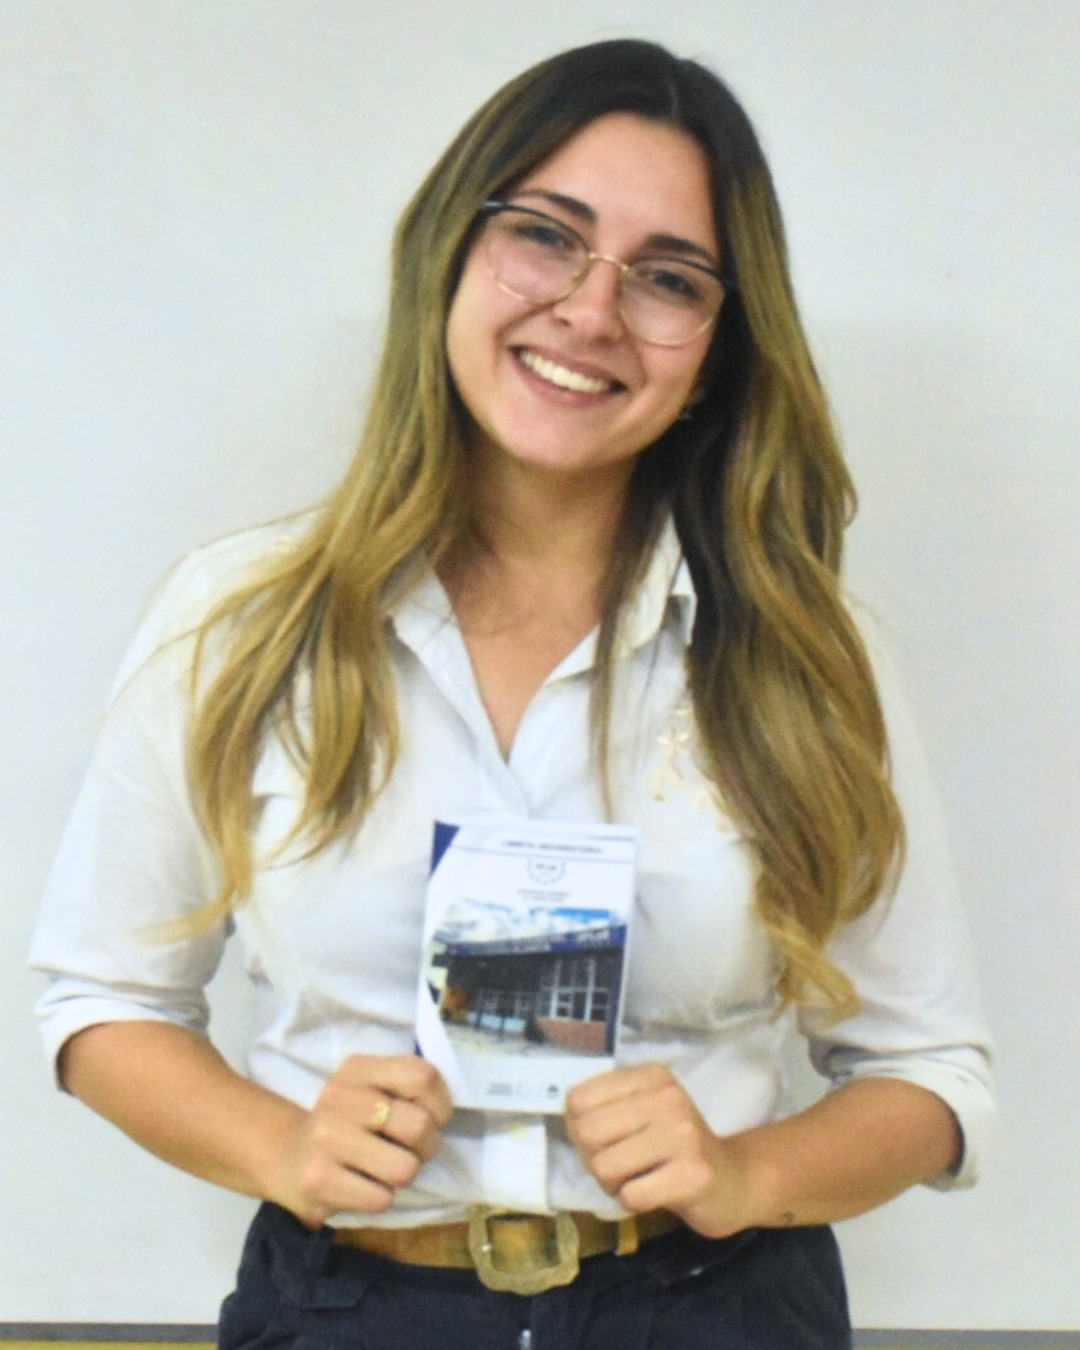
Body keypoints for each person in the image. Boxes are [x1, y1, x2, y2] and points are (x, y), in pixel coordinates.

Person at [31, 38, 993, 1350]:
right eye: (546, 236)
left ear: (719, 348)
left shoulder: (806, 655)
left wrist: (745, 1173)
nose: (593, 311)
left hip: (711, 1311)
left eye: (669, 277)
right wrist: (281, 1145)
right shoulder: (242, 621)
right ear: (449, 252)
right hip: (347, 1307)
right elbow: (103, 1000)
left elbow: (926, 1070)